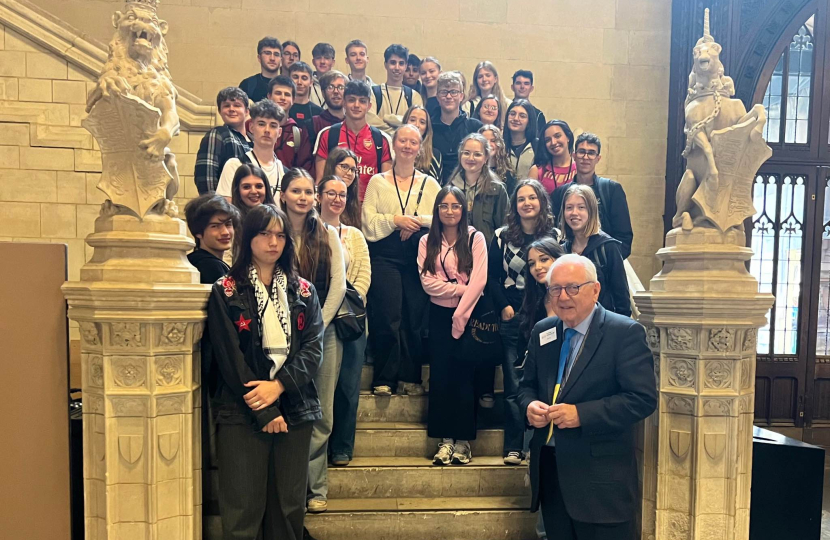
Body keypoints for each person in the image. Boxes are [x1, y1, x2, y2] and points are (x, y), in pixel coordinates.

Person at [206, 203, 324, 540]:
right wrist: (265, 406)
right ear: (248, 237)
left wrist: (280, 386)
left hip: (296, 406)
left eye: (280, 235)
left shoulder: (304, 291)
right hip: (242, 410)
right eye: (264, 233)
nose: (273, 242)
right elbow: (230, 359)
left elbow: (313, 350)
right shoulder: (225, 290)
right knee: (243, 511)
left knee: (288, 509)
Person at [518, 254, 657, 540]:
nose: (563, 296)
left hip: (601, 483)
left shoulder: (624, 332)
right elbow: (526, 386)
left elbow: (641, 399)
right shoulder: (544, 331)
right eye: (555, 289)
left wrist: (582, 414)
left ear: (595, 290)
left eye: (573, 288)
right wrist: (529, 406)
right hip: (552, 473)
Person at [278, 168, 346, 515]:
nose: (302, 197)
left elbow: (338, 285)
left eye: (308, 191)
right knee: (289, 411)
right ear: (284, 194)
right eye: (296, 191)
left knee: (322, 414)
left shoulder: (328, 234)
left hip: (324, 334)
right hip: (280, 334)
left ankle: (315, 486)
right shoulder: (272, 231)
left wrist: (318, 326)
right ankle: (290, 486)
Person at [362, 124, 441, 396]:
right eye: (403, 141)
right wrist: (396, 221)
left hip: (417, 256)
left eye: (413, 142)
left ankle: (411, 378)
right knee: (388, 316)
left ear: (420, 148)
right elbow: (368, 222)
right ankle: (385, 378)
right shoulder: (378, 181)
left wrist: (415, 222)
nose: (407, 146)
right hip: (385, 255)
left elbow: (441, 217)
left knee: (414, 318)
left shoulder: (430, 184)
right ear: (393, 145)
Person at [488, 179, 558, 465]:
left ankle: (536, 443)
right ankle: (513, 445)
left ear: (541, 201)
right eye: (521, 199)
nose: (526, 203)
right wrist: (503, 306)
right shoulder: (502, 235)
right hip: (512, 313)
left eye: (532, 198)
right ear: (514, 205)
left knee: (544, 380)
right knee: (514, 382)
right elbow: (490, 276)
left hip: (545, 312)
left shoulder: (554, 235)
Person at [417, 186, 487, 466]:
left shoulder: (475, 238)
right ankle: (445, 441)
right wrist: (460, 288)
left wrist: (460, 313)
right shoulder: (426, 241)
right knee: (441, 376)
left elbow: (480, 281)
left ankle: (463, 442)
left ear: (463, 209)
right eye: (444, 206)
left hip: (469, 316)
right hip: (438, 316)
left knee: (464, 377)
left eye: (455, 206)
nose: (449, 211)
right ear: (437, 210)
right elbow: (426, 283)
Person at [317, 174, 372, 467]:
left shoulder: (354, 235)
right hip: (318, 320)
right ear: (319, 196)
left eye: (342, 194)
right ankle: (316, 449)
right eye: (331, 193)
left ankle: (342, 446)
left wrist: (344, 306)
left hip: (349, 320)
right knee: (321, 388)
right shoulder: (310, 232)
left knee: (348, 385)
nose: (337, 199)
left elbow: (363, 276)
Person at [550, 132, 634, 259]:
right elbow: (554, 232)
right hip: (568, 262)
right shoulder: (559, 194)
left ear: (598, 158)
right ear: (574, 155)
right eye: (581, 151)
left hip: (604, 265)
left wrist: (608, 262)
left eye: (591, 153)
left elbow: (624, 237)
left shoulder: (612, 190)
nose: (585, 157)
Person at [314, 80, 393, 202]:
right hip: (335, 204)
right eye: (351, 100)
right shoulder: (328, 134)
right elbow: (320, 181)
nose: (356, 105)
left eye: (362, 101)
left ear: (369, 106)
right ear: (344, 103)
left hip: (369, 208)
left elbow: (386, 186)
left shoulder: (381, 139)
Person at [559, 184, 630, 317]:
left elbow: (621, 297)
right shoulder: (563, 250)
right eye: (569, 207)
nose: (574, 213)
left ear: (591, 211)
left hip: (603, 325)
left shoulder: (608, 247)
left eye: (581, 207)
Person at [448, 133, 508, 244]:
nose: (471, 158)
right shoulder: (450, 188)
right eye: (466, 153)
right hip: (456, 251)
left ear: (486, 158)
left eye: (477, 154)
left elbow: (504, 229)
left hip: (487, 253)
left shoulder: (497, 189)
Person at [218, 100, 285, 198]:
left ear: (279, 132)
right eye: (261, 124)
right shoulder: (234, 165)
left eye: (273, 125)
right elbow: (225, 209)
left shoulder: (283, 171)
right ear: (251, 127)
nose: (267, 130)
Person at [194, 87, 251, 194]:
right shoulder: (218, 134)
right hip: (225, 207)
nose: (231, 109)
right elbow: (206, 178)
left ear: (247, 111)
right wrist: (215, 207)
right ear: (220, 111)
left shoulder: (253, 141)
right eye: (226, 106)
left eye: (237, 105)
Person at [431, 71, 482, 185]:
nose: (449, 96)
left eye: (454, 92)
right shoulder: (429, 128)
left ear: (461, 96)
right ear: (437, 97)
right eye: (444, 92)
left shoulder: (475, 127)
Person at [369, 44, 424, 135]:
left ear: (405, 66)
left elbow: (416, 125)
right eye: (393, 63)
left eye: (401, 63)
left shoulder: (414, 96)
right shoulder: (373, 93)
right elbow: (370, 122)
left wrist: (387, 118)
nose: (397, 68)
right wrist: (399, 131)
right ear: (385, 65)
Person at [185, 194, 240, 284]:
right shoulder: (209, 266)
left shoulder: (195, 260)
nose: (225, 232)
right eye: (215, 226)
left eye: (228, 224)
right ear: (198, 232)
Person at [267, 76, 314, 174]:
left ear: (293, 99)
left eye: (287, 94)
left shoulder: (299, 134)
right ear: (269, 96)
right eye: (278, 93)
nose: (282, 98)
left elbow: (302, 169)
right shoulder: (255, 128)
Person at [529, 120, 577, 196]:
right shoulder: (537, 171)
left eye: (557, 136)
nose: (553, 142)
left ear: (568, 137)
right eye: (548, 140)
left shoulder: (580, 169)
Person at [321, 147, 361, 228]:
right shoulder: (317, 196)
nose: (349, 173)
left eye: (353, 170)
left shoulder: (353, 201)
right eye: (344, 167)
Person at [402, 104, 441, 179]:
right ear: (405, 122)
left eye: (422, 122)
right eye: (412, 120)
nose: (417, 125)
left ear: (427, 128)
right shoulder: (394, 149)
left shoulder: (435, 155)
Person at [239, 36, 282, 103]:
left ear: (281, 60)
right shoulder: (247, 85)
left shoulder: (288, 85)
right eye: (267, 53)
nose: (272, 58)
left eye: (276, 54)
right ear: (259, 58)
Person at [504, 99, 538, 181]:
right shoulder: (500, 144)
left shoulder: (537, 146)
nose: (516, 119)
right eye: (512, 114)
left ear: (529, 121)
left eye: (522, 116)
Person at [289, 61, 324, 138]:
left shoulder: (320, 113)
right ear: (289, 79)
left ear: (311, 82)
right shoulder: (282, 110)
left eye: (304, 78)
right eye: (295, 77)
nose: (299, 82)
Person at [479, 124, 516, 196]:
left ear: (499, 144)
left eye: (493, 140)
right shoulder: (473, 171)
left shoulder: (508, 173)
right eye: (484, 140)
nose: (489, 144)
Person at [511, 70, 546, 137]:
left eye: (526, 83)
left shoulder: (538, 115)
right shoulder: (504, 109)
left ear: (531, 88)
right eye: (518, 83)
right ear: (512, 87)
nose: (522, 87)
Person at [312, 70, 347, 135]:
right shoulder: (313, 124)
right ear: (323, 93)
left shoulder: (353, 123)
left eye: (341, 87)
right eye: (330, 87)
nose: (336, 91)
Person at [310, 42, 336, 107]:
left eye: (326, 58)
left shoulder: (339, 84)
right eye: (318, 58)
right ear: (313, 62)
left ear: (333, 62)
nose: (322, 62)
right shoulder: (308, 84)